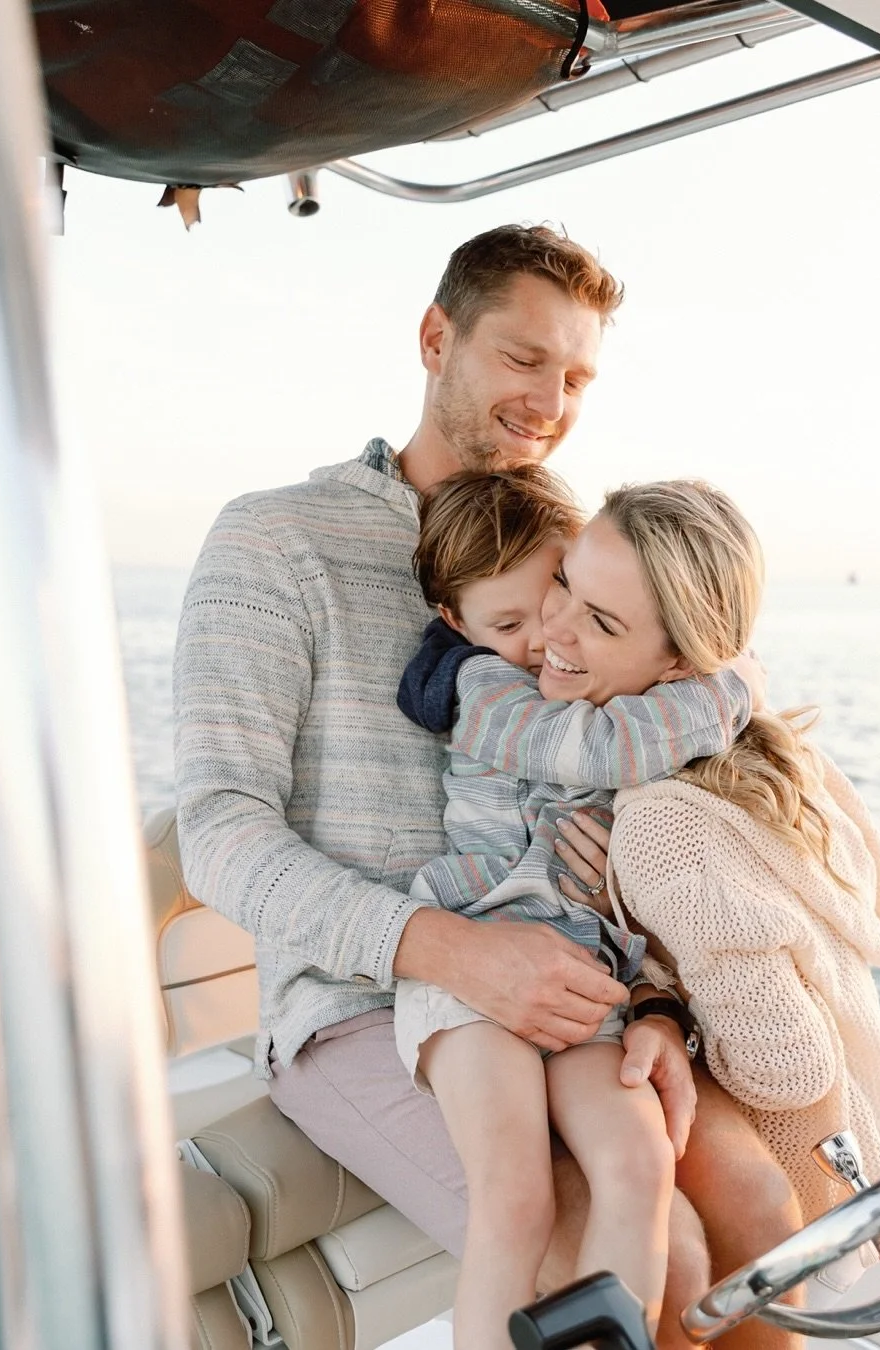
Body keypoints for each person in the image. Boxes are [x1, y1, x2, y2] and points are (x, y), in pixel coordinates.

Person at [173, 224, 802, 1350]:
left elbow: (631, 748)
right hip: (360, 1000)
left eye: (575, 376)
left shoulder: (568, 533)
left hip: (573, 964)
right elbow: (219, 833)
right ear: (435, 338)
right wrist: (454, 952)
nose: (548, 401)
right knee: (654, 1271)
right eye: (523, 359)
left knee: (760, 1212)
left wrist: (651, 995)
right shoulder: (276, 542)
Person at [395, 465, 753, 1347]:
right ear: (460, 625)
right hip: (473, 959)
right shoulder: (483, 691)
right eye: (510, 619)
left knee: (638, 1164)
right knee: (515, 1197)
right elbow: (591, 750)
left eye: (568, 596)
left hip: (582, 972)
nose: (541, 638)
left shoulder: (630, 696)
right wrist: (733, 686)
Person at [527, 479, 880, 1235]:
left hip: (796, 1210)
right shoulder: (776, 751)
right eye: (564, 583)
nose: (554, 630)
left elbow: (784, 1066)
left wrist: (650, 987)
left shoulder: (661, 832)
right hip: (871, 1167)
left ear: (679, 666)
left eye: (602, 623)